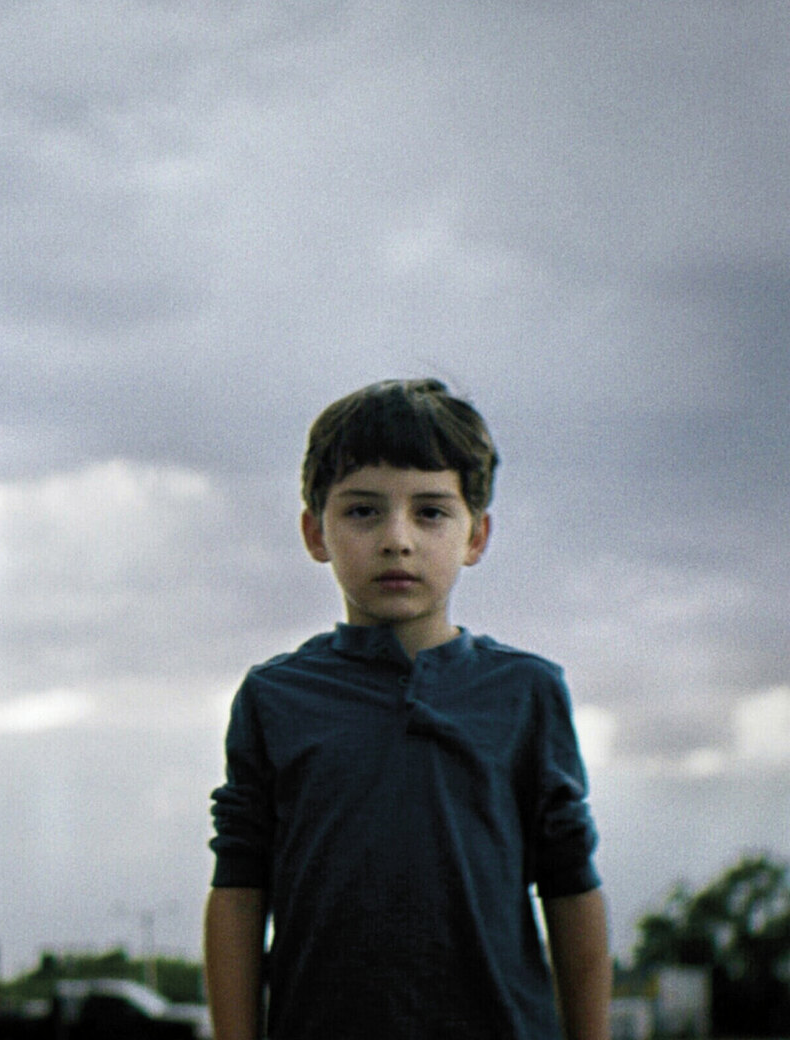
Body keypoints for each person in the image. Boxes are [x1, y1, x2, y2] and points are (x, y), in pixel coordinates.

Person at [203, 379, 611, 1040]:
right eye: (364, 511)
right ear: (315, 532)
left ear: (476, 535)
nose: (397, 539)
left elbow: (570, 886)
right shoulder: (274, 698)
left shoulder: (526, 693)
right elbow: (239, 890)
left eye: (430, 512)